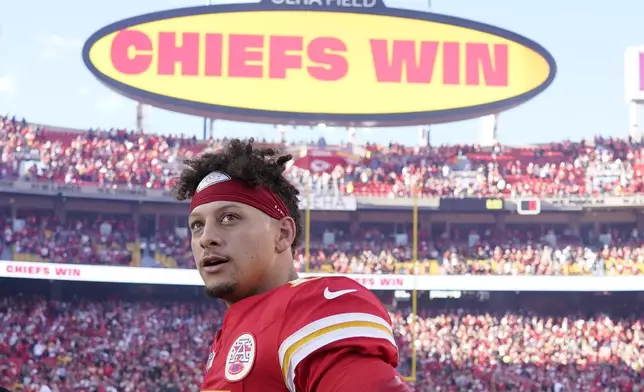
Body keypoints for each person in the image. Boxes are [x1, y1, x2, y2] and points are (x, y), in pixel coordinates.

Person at [173, 138, 412, 392]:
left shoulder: (306, 313)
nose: (206, 238)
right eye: (197, 225)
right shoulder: (233, 333)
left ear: (283, 234)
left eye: (229, 217)